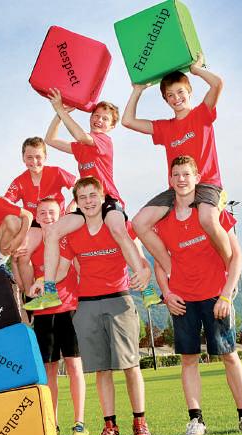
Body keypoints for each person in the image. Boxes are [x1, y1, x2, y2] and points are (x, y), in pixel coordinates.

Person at [30, 177, 153, 435]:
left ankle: (140, 422)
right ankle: (110, 426)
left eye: (92, 196)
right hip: (87, 303)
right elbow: (62, 269)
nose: (88, 202)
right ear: (76, 202)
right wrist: (43, 282)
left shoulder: (117, 224)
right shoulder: (72, 232)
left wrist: (146, 272)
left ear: (103, 197)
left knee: (131, 365)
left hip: (119, 299)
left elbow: (138, 254)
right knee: (101, 368)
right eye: (82, 197)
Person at [154, 155, 242, 435]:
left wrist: (226, 295)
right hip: (182, 301)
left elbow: (237, 257)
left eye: (186, 174)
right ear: (170, 179)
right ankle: (196, 420)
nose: (181, 179)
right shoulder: (162, 221)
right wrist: (167, 293)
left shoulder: (213, 213)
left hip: (215, 297)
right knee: (188, 360)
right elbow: (159, 263)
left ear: (197, 178)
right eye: (176, 174)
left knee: (229, 355)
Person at [26, 89, 154, 312]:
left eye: (105, 118)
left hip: (107, 200)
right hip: (86, 204)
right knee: (53, 231)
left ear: (111, 126)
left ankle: (147, 289)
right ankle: (50, 291)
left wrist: (59, 108)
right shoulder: (81, 148)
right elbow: (50, 140)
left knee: (118, 229)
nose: (99, 120)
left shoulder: (104, 141)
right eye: (96, 115)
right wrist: (60, 114)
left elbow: (81, 136)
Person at [121, 53, 230, 277]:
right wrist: (137, 90)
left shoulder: (201, 114)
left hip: (206, 184)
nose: (176, 98)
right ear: (166, 100)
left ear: (189, 92)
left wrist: (196, 70)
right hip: (177, 190)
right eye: (170, 95)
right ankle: (175, 273)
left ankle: (230, 268)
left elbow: (218, 83)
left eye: (180, 92)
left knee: (207, 218)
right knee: (139, 223)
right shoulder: (166, 128)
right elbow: (127, 121)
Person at [25, 198, 87, 435]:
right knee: (49, 369)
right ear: (36, 217)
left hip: (69, 308)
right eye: (42, 213)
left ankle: (79, 422)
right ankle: (53, 422)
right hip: (43, 313)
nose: (47, 217)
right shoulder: (31, 243)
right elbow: (25, 277)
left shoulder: (67, 238)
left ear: (60, 214)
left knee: (74, 365)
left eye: (52, 212)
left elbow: (77, 270)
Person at [5, 136, 76, 290]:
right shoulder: (19, 181)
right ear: (23, 158)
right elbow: (6, 203)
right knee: (23, 253)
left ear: (45, 157)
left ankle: (83, 288)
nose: (34, 161)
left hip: (57, 220)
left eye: (38, 157)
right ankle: (30, 294)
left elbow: (79, 186)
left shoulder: (56, 172)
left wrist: (72, 205)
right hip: (36, 223)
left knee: (77, 246)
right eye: (29, 157)